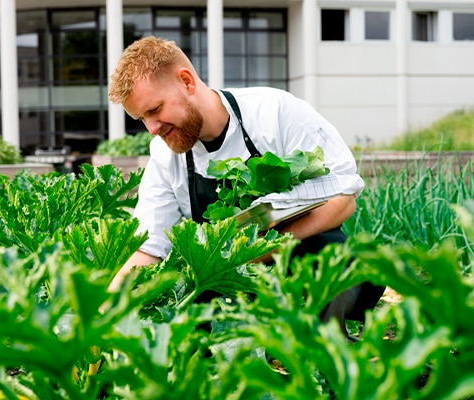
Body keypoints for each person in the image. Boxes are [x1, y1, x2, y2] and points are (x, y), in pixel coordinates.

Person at [107, 36, 384, 328]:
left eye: (154, 110)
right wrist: (107, 306)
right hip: (229, 279)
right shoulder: (165, 155)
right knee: (190, 319)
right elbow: (149, 248)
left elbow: (343, 199)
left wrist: (265, 249)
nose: (151, 129)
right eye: (141, 119)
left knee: (341, 260)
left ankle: (326, 349)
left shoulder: (275, 112)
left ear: (187, 81)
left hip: (298, 255)